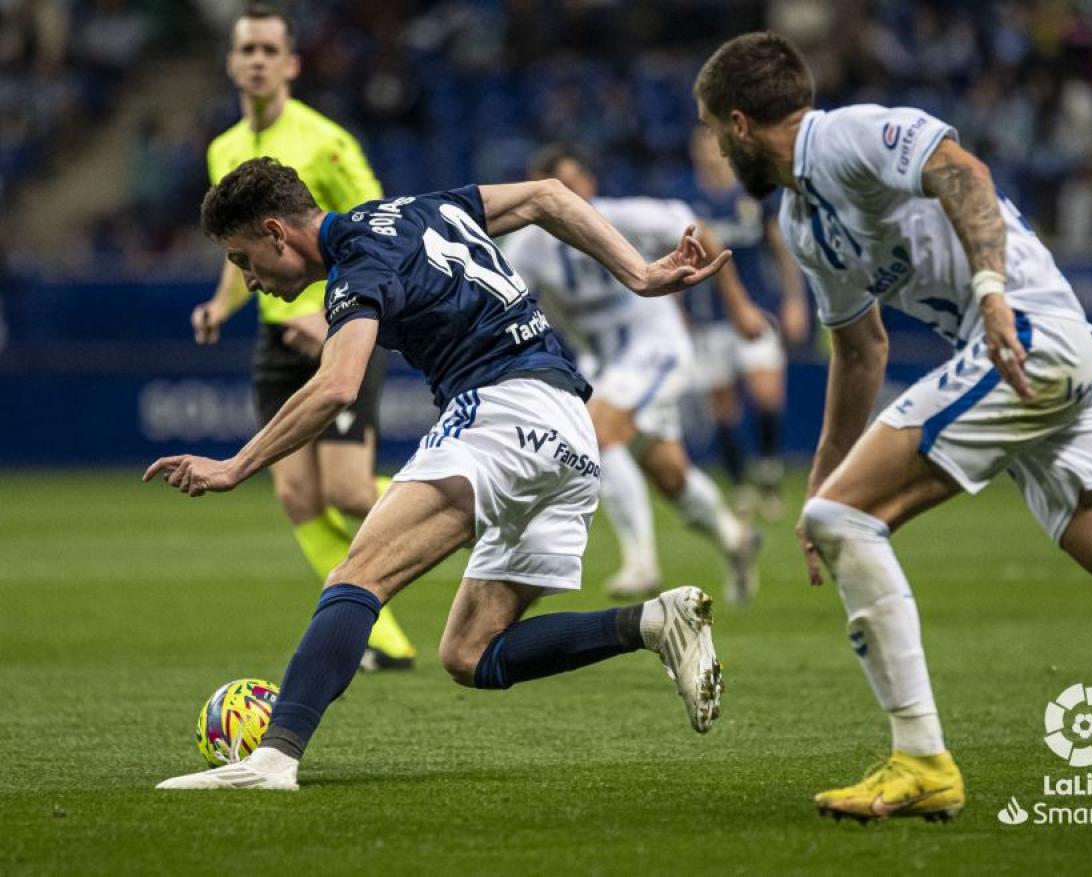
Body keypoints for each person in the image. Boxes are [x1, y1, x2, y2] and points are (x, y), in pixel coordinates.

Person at [694, 32, 1092, 822]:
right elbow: (860, 350)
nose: (719, 155)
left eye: (715, 134)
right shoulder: (802, 220)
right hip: (1034, 359)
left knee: (846, 518)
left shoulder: (845, 136)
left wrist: (992, 291)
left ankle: (921, 759)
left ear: (738, 123)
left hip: (1026, 335)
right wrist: (824, 477)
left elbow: (964, 171)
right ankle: (920, 758)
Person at [147, 157, 730, 790]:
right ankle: (654, 622)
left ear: (275, 233)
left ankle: (273, 760)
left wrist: (235, 466)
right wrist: (639, 274)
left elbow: (337, 386)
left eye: (243, 259)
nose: (249, 280)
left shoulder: (357, 267)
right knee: (469, 653)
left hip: (504, 411)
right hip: (570, 427)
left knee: (357, 577)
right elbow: (546, 196)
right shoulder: (422, 207)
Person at [192, 4, 415, 670]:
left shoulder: (326, 141)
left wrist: (328, 312)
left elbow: (378, 225)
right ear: (232, 63)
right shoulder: (223, 149)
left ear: (291, 64)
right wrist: (221, 304)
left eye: (269, 49)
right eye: (247, 49)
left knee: (348, 492)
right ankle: (384, 639)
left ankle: (464, 507)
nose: (257, 60)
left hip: (342, 327)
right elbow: (241, 251)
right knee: (297, 496)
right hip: (274, 341)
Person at [503, 144, 763, 603]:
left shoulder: (627, 217)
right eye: (552, 189)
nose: (566, 197)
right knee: (670, 474)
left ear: (590, 183)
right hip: (602, 365)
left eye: (572, 184)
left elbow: (696, 227)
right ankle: (734, 537)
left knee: (597, 435)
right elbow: (504, 302)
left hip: (655, 349)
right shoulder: (528, 247)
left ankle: (641, 563)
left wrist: (737, 304)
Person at [685, 125, 811, 521]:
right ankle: (740, 485)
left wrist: (795, 301)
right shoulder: (687, 203)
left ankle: (769, 474)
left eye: (714, 144)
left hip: (756, 311)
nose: (710, 152)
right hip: (708, 318)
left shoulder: (754, 194)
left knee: (767, 394)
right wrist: (678, 313)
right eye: (702, 145)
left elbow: (781, 249)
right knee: (722, 407)